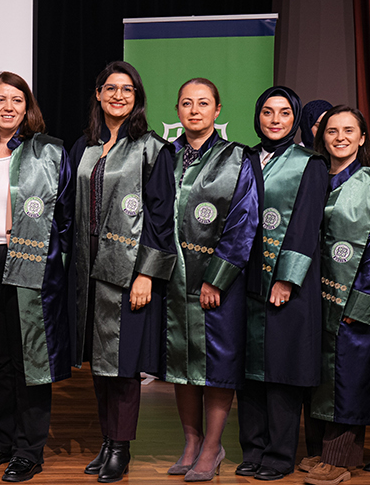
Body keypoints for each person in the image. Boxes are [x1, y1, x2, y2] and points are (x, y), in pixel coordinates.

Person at [69, 61, 176, 484]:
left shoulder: (153, 148)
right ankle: (107, 442)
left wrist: (147, 274)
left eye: (126, 89)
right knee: (100, 365)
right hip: (87, 272)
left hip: (130, 273)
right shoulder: (84, 147)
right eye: (110, 89)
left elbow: (161, 217)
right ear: (98, 94)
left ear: (137, 97)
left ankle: (121, 448)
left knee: (124, 367)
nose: (118, 96)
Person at [0, 72, 72, 484]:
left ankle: (30, 448)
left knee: (31, 359)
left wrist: (51, 260)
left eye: (17, 99)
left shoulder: (49, 151)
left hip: (33, 262)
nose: (8, 107)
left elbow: (64, 215)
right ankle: (3, 439)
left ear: (28, 107)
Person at [163, 78, 260, 482]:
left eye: (203, 103)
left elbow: (245, 221)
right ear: (178, 110)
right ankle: (191, 440)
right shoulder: (165, 157)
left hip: (219, 282)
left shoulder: (237, 158)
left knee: (216, 363)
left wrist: (216, 279)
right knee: (180, 361)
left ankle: (212, 446)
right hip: (172, 278)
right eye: (186, 103)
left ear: (218, 110)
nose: (194, 110)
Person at [302, 106, 370, 485]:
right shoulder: (313, 179)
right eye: (331, 131)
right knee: (319, 372)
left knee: (349, 375)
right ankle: (323, 452)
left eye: (348, 130)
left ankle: (340, 458)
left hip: (358, 297)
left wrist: (361, 304)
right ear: (321, 137)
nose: (339, 137)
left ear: (362, 138)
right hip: (313, 297)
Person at [237, 86, 330, 482]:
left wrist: (287, 279)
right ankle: (253, 449)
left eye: (284, 114)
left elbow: (307, 225)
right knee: (250, 372)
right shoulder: (243, 158)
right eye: (268, 112)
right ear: (257, 116)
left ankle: (279, 455)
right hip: (244, 279)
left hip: (289, 284)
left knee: (282, 372)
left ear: (296, 121)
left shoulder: (310, 164)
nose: (275, 120)